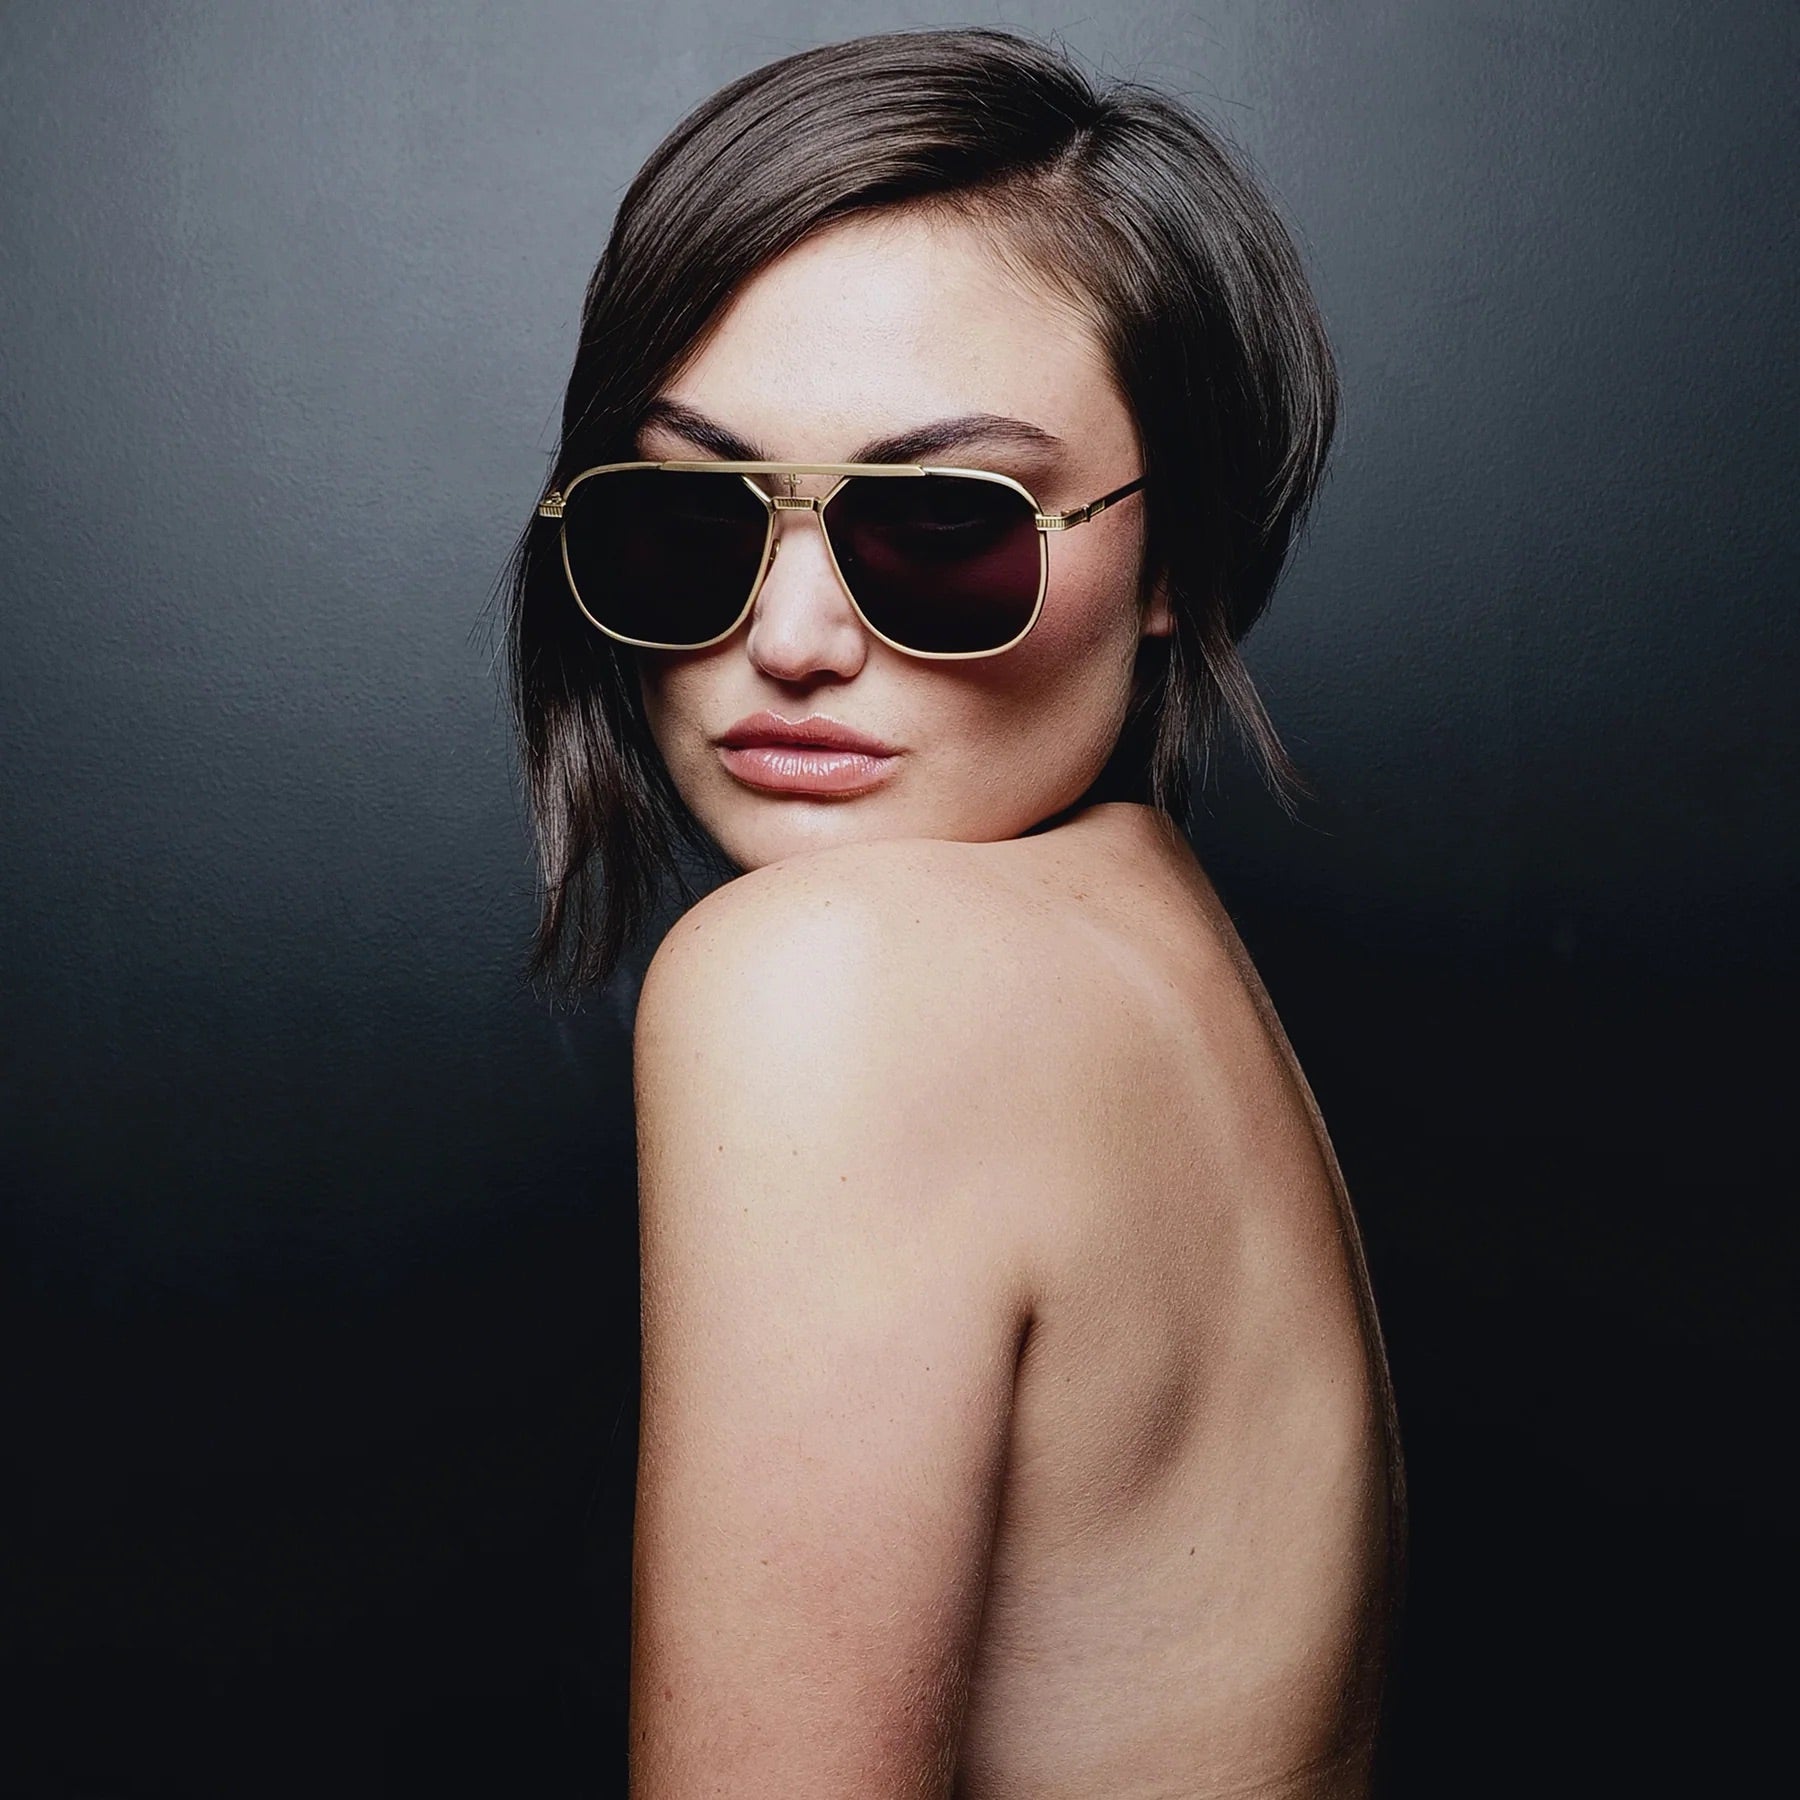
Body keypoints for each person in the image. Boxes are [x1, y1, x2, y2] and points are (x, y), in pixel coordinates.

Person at [501, 26, 1405, 1797]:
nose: (791, 641)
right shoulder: (1144, 928)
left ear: (1176, 556)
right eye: (691, 515)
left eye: (941, 526)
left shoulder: (833, 981)